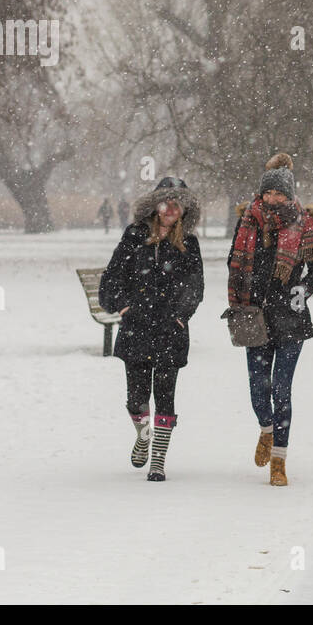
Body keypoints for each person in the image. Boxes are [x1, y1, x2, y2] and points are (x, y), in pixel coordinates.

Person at [227, 153, 313, 486]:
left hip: (290, 318)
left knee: (282, 389)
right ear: (261, 193)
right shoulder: (247, 221)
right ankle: (266, 430)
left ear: (289, 195)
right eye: (269, 193)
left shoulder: (304, 223)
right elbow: (233, 261)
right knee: (259, 388)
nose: (273, 199)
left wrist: (303, 289)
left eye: (280, 194)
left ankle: (279, 460)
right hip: (254, 317)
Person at [98, 177, 204, 481]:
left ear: (184, 209)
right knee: (136, 398)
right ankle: (143, 436)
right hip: (137, 327)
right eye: (165, 202)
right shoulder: (134, 236)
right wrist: (124, 306)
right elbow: (112, 279)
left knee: (166, 396)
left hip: (171, 329)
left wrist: (181, 314)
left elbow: (195, 287)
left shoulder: (189, 243)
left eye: (177, 203)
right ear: (154, 205)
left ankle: (158, 459)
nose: (171, 209)